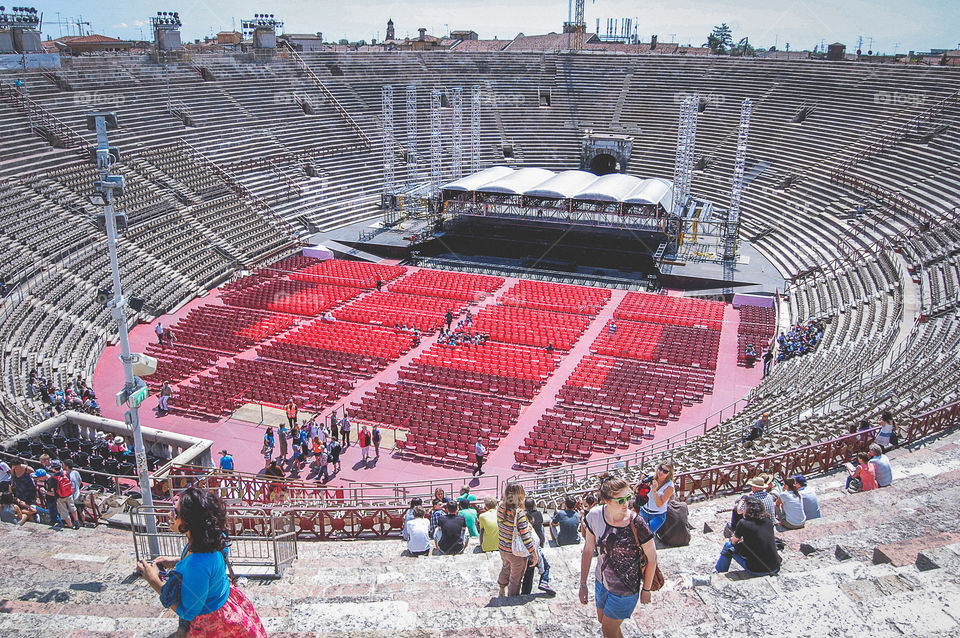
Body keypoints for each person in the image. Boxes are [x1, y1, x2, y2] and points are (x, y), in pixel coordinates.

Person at [137, 487, 266, 637]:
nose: (169, 515)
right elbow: (208, 566)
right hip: (225, 600)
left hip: (211, 619)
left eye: (175, 512)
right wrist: (174, 561)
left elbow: (188, 611)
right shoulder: (215, 537)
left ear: (190, 522)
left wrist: (154, 581)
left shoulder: (196, 564)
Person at [580, 474, 658, 636]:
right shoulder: (594, 516)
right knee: (605, 622)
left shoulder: (637, 523)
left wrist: (647, 589)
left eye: (628, 498)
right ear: (606, 501)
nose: (627, 503)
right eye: (621, 500)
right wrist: (582, 584)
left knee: (607, 629)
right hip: (601, 582)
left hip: (626, 588)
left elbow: (652, 558)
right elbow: (588, 550)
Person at [715, 496, 781, 576]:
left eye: (745, 507)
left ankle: (719, 572)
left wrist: (735, 536)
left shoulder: (743, 523)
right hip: (775, 567)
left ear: (749, 510)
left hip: (757, 570)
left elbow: (734, 541)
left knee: (728, 546)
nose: (743, 510)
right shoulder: (767, 520)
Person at [497, 483, 538, 597]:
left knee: (506, 568)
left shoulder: (500, 507)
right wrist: (534, 553)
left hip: (502, 547)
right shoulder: (519, 513)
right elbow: (525, 536)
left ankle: (501, 588)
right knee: (516, 577)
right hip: (515, 552)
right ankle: (512, 598)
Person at [521, 498, 554, 596]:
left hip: (528, 548)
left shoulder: (523, 516)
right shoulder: (539, 514)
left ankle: (525, 593)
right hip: (536, 547)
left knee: (529, 572)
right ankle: (544, 582)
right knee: (546, 566)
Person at [638, 463, 674, 534]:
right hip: (644, 511)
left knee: (646, 535)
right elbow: (635, 490)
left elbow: (659, 504)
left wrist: (654, 491)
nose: (661, 472)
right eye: (660, 469)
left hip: (658, 515)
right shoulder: (651, 476)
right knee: (638, 534)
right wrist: (642, 482)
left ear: (669, 474)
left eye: (665, 471)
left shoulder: (670, 486)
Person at [51, 460, 80, 530]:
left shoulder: (53, 478)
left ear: (53, 468)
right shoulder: (66, 473)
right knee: (72, 508)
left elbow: (53, 490)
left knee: (64, 512)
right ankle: (77, 521)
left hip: (60, 497)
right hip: (69, 494)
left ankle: (70, 526)